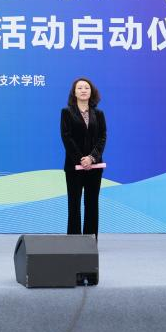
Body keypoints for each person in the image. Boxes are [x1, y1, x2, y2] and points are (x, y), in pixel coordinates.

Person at [60, 77, 107, 236]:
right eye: (79, 88)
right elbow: (66, 137)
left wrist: (91, 158)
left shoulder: (99, 114)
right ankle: (74, 241)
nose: (83, 90)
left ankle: (90, 241)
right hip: (74, 166)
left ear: (91, 92)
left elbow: (102, 137)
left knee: (92, 204)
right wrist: (81, 159)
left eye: (86, 88)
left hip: (95, 166)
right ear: (74, 92)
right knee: (74, 205)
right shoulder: (66, 112)